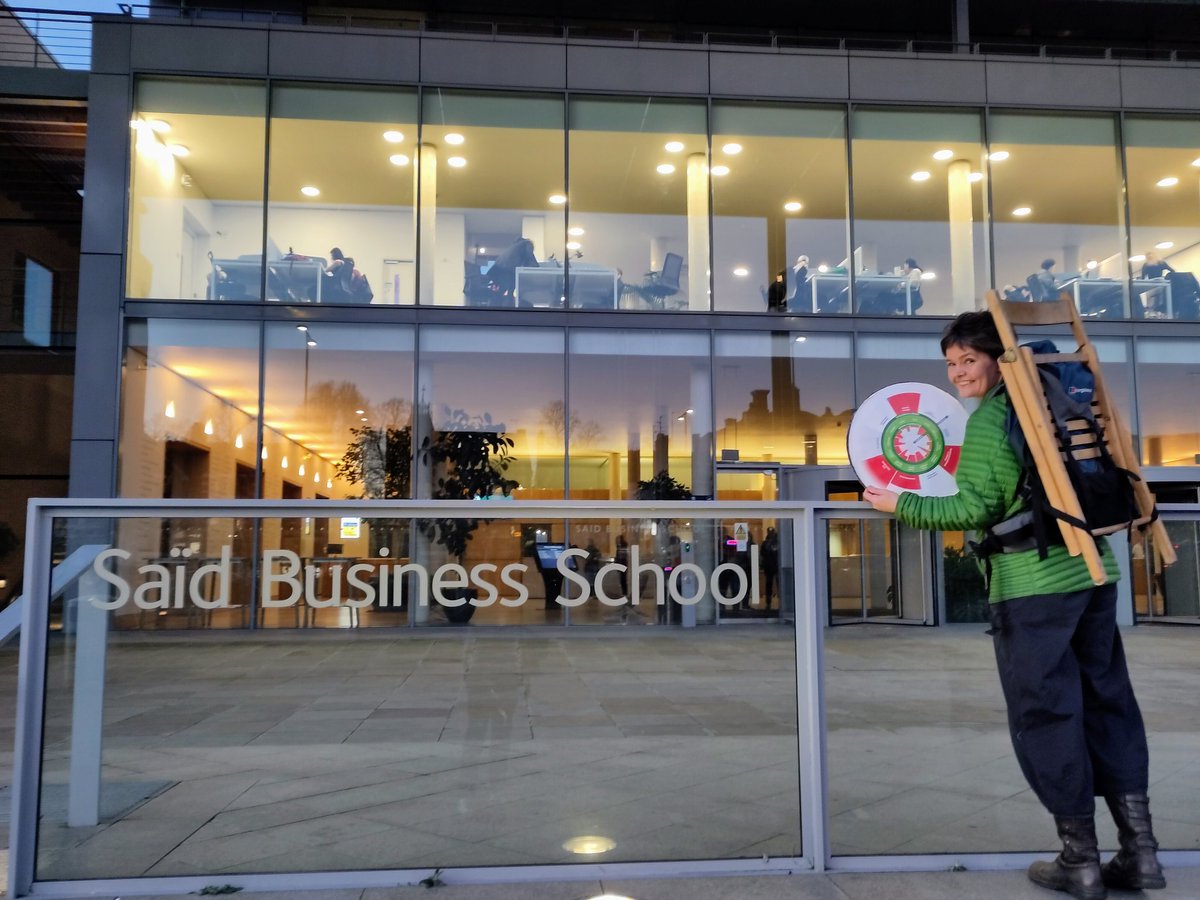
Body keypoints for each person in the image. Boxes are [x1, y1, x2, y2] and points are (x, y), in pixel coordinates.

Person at [864, 310, 1164, 900]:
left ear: (998, 359)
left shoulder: (995, 419)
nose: (957, 375)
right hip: (1092, 576)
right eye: (951, 364)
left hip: (1031, 590)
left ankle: (1079, 859)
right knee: (1110, 707)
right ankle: (1142, 853)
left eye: (967, 361)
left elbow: (971, 508)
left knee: (1047, 716)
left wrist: (899, 504)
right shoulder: (1057, 407)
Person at [760, 526, 780, 611]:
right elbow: (762, 554)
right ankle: (768, 603)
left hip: (776, 566)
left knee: (778, 584)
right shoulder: (766, 543)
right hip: (769, 566)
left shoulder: (777, 543)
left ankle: (778, 602)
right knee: (769, 585)